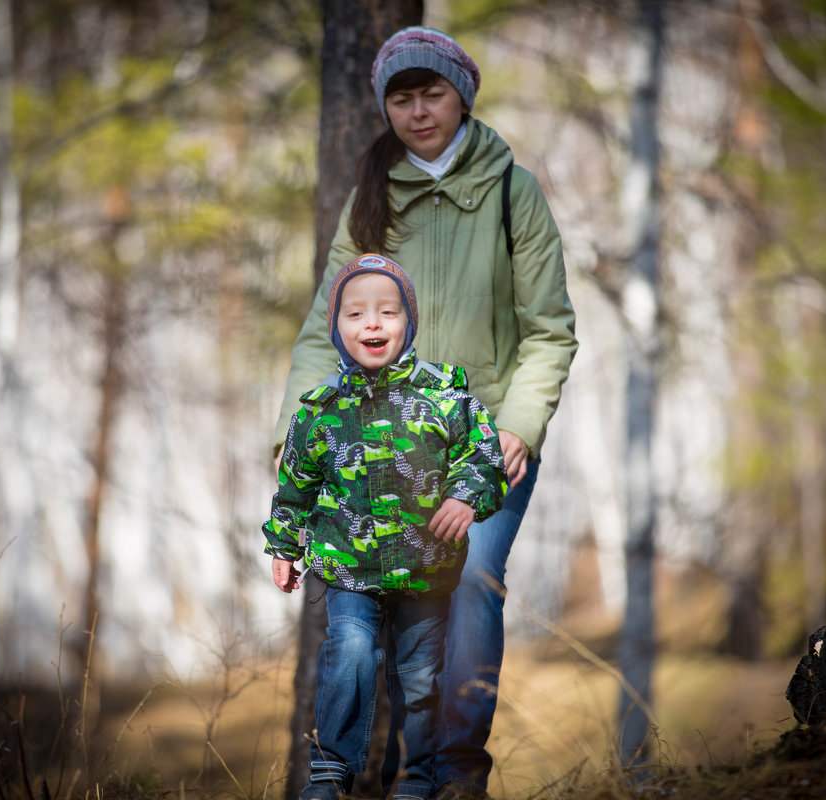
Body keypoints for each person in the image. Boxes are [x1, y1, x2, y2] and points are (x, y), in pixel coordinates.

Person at [273, 26, 579, 799]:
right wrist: (292, 431)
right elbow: (324, 327)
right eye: (401, 98)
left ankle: (449, 776)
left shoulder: (515, 190)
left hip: (483, 445)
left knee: (470, 579)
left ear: (462, 96)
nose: (417, 112)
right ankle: (356, 773)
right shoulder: (373, 194)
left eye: (431, 93)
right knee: (369, 601)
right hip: (377, 447)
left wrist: (519, 426)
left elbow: (549, 331)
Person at [265, 253, 507, 800]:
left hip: (428, 569)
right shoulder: (318, 412)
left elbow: (485, 460)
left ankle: (414, 780)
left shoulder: (445, 396)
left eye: (387, 312)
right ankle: (329, 773)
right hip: (350, 569)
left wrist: (465, 497)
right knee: (349, 652)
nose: (372, 323)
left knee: (420, 681)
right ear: (337, 328)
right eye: (355, 314)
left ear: (409, 322)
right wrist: (284, 544)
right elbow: (295, 486)